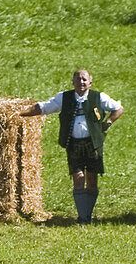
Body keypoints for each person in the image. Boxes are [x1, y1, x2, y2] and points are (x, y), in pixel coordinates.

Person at [21, 69, 122, 223]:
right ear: (73, 82)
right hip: (73, 144)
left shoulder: (99, 97)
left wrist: (107, 123)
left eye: (84, 79)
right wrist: (18, 113)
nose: (81, 82)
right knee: (78, 177)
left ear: (90, 82)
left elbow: (118, 108)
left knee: (92, 178)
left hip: (93, 143)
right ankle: (83, 217)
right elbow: (43, 108)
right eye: (77, 79)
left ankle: (87, 214)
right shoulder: (64, 98)